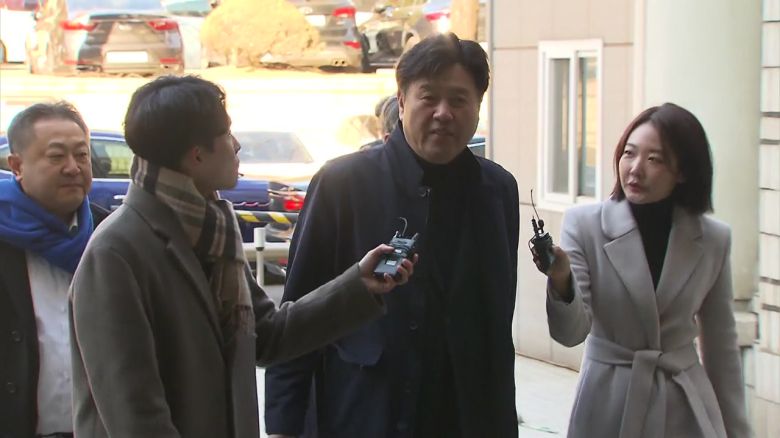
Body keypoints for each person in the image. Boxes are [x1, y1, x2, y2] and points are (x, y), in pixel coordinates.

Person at [68, 75, 414, 438]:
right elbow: (135, 414)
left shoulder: (212, 230)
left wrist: (359, 284)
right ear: (196, 155)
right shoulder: (116, 251)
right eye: (226, 134)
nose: (236, 145)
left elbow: (270, 335)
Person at [265, 33, 520, 438]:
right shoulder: (343, 183)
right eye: (428, 97)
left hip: (463, 414)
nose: (443, 113)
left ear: (477, 107)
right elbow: (299, 310)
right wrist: (284, 425)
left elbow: (498, 319)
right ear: (401, 101)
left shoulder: (498, 190)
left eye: (458, 100)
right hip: (362, 410)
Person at [536, 103, 751, 437]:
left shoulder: (713, 239)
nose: (635, 169)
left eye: (654, 159)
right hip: (609, 405)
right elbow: (571, 333)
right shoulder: (585, 224)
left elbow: (721, 349)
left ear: (683, 171)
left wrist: (737, 431)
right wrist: (562, 281)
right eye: (629, 153)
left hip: (685, 407)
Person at [0, 101, 108, 438]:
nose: (73, 168)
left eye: (82, 155)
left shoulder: (112, 235)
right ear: (17, 166)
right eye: (57, 156)